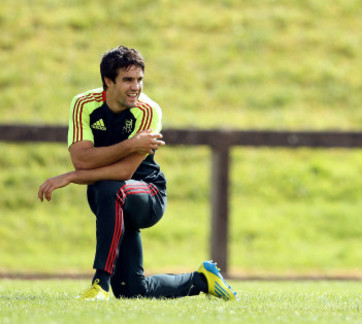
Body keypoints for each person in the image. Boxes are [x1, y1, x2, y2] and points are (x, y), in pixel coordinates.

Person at [38, 45, 237, 301]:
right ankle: (203, 279)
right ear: (107, 82)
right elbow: (81, 159)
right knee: (133, 291)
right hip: (111, 200)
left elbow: (124, 170)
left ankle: (99, 285)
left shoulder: (148, 110)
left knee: (111, 188)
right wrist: (130, 144)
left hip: (148, 193)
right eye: (128, 80)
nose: (136, 87)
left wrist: (72, 177)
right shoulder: (83, 104)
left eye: (140, 79)